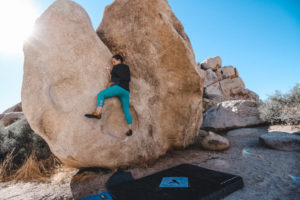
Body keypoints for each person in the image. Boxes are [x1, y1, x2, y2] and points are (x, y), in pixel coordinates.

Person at [85, 54, 133, 136]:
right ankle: (130, 129)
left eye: (114, 61)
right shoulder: (126, 67)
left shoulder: (116, 67)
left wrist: (108, 71)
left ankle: (97, 113)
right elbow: (126, 78)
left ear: (119, 60)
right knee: (126, 109)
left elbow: (112, 79)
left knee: (101, 94)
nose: (113, 63)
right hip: (126, 91)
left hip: (119, 88)